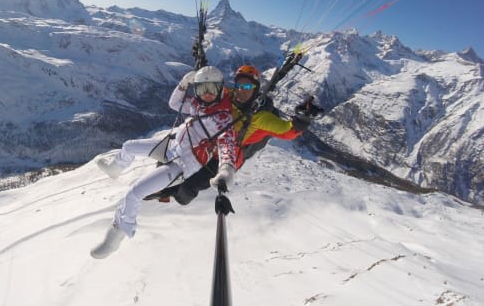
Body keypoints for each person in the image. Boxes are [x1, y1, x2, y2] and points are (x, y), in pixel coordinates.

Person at [90, 66, 237, 259]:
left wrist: (226, 170)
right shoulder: (197, 105)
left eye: (212, 88)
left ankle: (116, 236)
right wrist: (183, 85)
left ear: (221, 89)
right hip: (172, 147)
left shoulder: (222, 119)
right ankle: (115, 169)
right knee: (129, 146)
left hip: (183, 164)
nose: (207, 94)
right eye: (202, 88)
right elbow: (174, 103)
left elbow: (227, 145)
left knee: (135, 193)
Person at [146, 64, 323, 205]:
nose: (242, 90)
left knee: (189, 188)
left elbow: (287, 131)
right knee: (168, 149)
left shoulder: (260, 117)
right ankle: (161, 188)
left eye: (248, 86)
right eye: (239, 85)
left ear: (255, 89)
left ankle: (175, 195)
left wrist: (303, 119)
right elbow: (210, 88)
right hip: (205, 143)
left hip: (224, 157)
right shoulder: (227, 95)